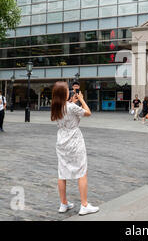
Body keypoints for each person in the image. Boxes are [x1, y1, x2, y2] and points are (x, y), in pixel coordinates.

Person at [51, 81, 99, 216]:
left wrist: (71, 101)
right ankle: (84, 204)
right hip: (74, 138)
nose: (70, 91)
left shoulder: (55, 106)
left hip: (61, 140)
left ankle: (63, 203)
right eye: (67, 90)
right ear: (63, 93)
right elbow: (88, 112)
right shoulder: (71, 106)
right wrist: (82, 100)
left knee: (62, 172)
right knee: (82, 170)